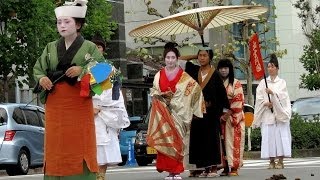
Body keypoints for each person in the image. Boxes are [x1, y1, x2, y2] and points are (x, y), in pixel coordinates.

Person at [33, 1, 103, 179]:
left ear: (78, 24)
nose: (62, 26)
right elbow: (38, 68)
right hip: (55, 106)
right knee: (56, 145)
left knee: (79, 144)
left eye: (67, 22)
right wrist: (42, 78)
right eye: (59, 22)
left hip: (78, 104)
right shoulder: (50, 48)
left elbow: (104, 70)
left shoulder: (90, 47)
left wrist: (82, 70)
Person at [147, 42, 204, 180]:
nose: (170, 60)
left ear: (177, 59)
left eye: (173, 57)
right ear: (164, 59)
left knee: (177, 140)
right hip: (163, 112)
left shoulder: (183, 75)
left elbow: (195, 89)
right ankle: (169, 170)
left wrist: (173, 98)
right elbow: (154, 90)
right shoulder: (158, 75)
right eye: (168, 57)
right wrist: (161, 96)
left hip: (178, 112)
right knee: (165, 140)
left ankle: (176, 170)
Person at [179, 46, 230, 177]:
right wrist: (194, 56)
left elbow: (222, 94)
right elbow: (179, 60)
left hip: (212, 112)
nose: (201, 58)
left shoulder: (215, 74)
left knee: (211, 139)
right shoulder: (194, 70)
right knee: (199, 140)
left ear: (210, 58)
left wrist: (225, 112)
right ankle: (204, 168)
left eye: (204, 55)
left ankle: (213, 168)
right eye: (200, 55)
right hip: (196, 112)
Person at [92, 36, 130, 180]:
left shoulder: (110, 69)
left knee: (104, 150)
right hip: (89, 113)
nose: (96, 50)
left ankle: (101, 176)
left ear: (103, 50)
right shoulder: (84, 68)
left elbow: (115, 93)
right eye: (93, 47)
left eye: (99, 47)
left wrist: (101, 107)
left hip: (105, 112)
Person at [252, 54, 292, 169]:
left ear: (277, 68)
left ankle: (280, 160)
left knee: (280, 137)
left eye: (272, 66)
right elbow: (259, 97)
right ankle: (271, 161)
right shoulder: (263, 83)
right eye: (268, 66)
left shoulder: (282, 82)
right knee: (269, 137)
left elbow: (284, 97)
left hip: (279, 114)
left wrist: (273, 94)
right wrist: (266, 102)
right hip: (267, 113)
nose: (270, 68)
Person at [217, 59, 245, 176]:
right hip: (219, 117)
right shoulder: (216, 82)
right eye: (221, 68)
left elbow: (238, 101)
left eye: (226, 68)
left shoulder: (236, 83)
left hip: (232, 118)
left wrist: (227, 115)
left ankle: (234, 167)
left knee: (233, 143)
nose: (223, 70)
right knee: (220, 143)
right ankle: (224, 167)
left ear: (230, 69)